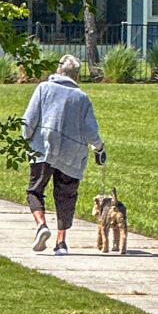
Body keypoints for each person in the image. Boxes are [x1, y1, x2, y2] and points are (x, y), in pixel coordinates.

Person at [21, 54, 104, 254]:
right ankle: (61, 242)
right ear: (76, 75)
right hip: (72, 154)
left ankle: (41, 225)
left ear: (59, 70)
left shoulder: (44, 88)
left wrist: (27, 137)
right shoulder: (82, 98)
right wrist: (99, 148)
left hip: (43, 148)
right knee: (66, 195)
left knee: (35, 190)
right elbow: (90, 131)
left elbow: (28, 120)